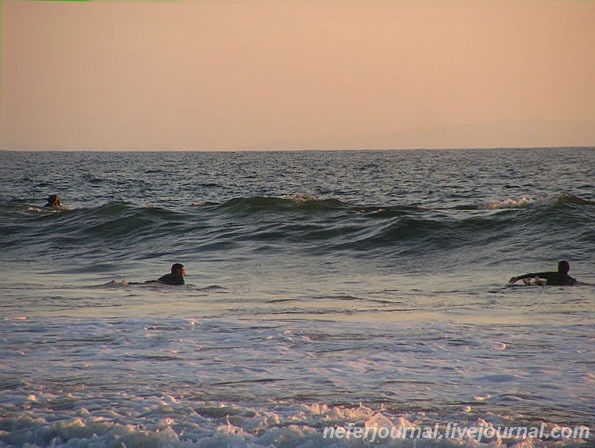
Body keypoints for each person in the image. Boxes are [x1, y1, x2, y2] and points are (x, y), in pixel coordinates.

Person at [508, 261, 577, 286]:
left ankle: (532, 283)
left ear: (558, 268)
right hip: (559, 284)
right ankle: (536, 283)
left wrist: (518, 277)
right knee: (540, 283)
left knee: (539, 283)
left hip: (548, 285)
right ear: (568, 269)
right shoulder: (571, 279)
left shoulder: (552, 274)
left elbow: (533, 274)